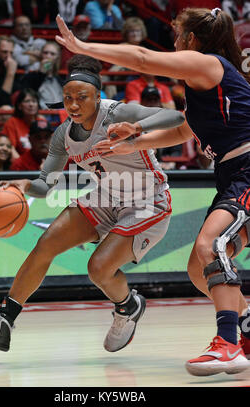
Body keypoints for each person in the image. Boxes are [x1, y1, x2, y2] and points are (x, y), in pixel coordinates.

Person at [54, 9, 250, 376]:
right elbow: (182, 131)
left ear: (190, 41)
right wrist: (135, 142)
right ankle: (246, 325)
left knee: (213, 247)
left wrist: (82, 46)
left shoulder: (207, 64)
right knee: (198, 268)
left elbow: (142, 57)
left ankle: (228, 343)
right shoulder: (205, 86)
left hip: (248, 168)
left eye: (177, 36)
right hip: (232, 174)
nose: (174, 43)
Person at [0, 54, 184, 355]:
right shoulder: (62, 136)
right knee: (46, 244)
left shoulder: (116, 113)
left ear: (97, 96)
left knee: (98, 269)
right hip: (106, 196)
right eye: (68, 98)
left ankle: (128, 306)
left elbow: (176, 118)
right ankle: (3, 322)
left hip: (147, 199)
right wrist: (24, 185)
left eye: (82, 98)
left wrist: (136, 127)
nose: (74, 105)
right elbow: (44, 185)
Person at [2, 88, 46, 159]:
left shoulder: (42, 122)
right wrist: (22, 166)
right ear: (19, 106)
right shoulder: (12, 122)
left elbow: (49, 147)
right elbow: (11, 149)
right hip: (21, 164)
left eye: (34, 101)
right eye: (27, 101)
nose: (31, 104)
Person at [21, 41, 63, 109]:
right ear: (41, 55)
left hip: (60, 114)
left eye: (52, 54)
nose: (48, 56)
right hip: (41, 114)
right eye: (45, 53)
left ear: (57, 58)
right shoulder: (30, 77)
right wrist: (41, 73)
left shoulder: (60, 79)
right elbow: (28, 96)